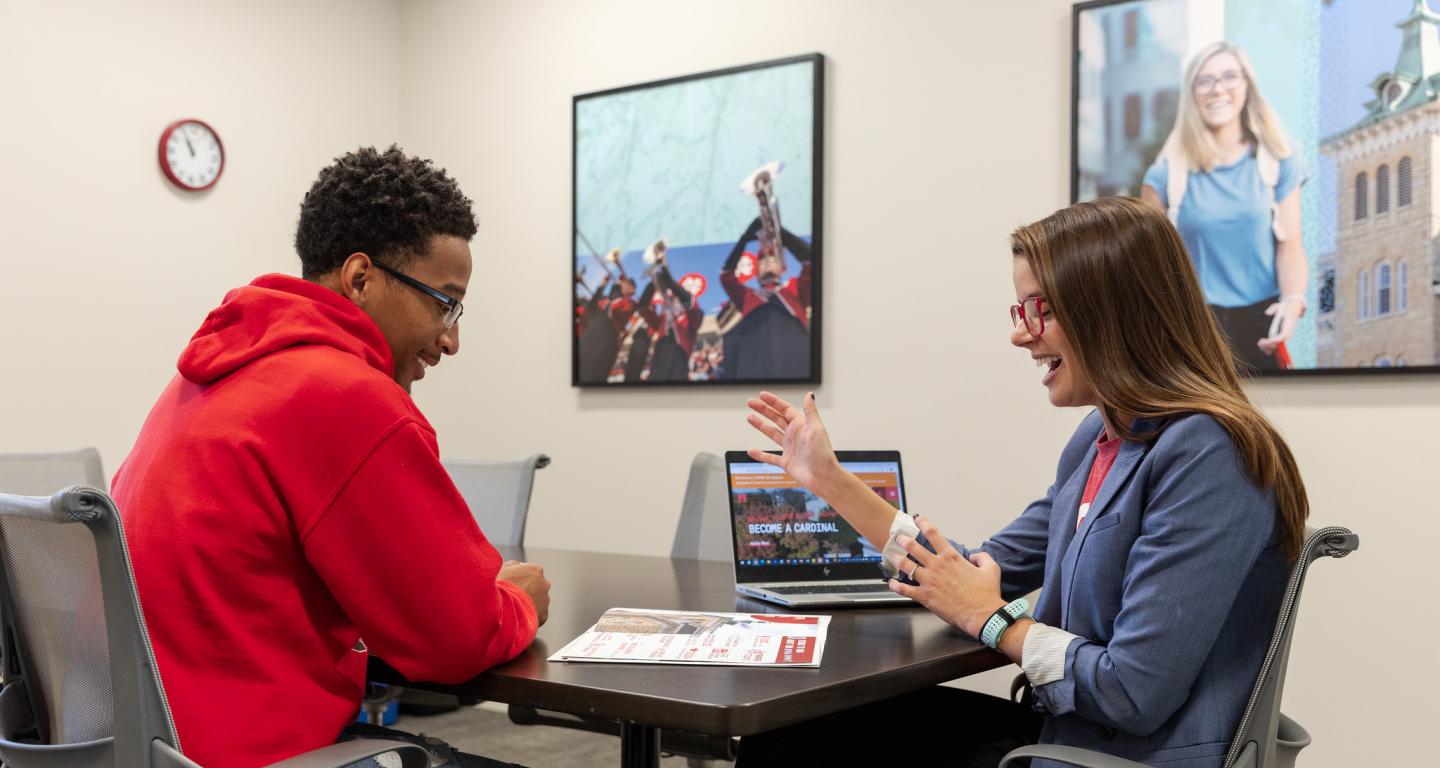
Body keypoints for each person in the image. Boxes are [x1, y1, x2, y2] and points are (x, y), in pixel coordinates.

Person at [737, 197, 1308, 767]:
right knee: (790, 736)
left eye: (1041, 309)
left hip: (1121, 755)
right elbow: (970, 573)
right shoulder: (1101, 438)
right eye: (1020, 311)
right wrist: (830, 480)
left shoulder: (1209, 452)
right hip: (1069, 735)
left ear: (1113, 310)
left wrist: (993, 619)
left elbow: (1133, 691)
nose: (1021, 336)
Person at [111, 146, 551, 768]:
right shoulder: (347, 394)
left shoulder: (207, 375)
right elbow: (459, 638)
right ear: (361, 278)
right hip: (264, 754)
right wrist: (520, 600)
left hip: (148, 746)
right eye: (443, 302)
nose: (451, 339)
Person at [1141, 41, 1308, 372]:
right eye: (1205, 81)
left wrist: (1293, 300)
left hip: (1261, 327)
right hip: (1192, 329)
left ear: (1247, 84)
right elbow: (1148, 268)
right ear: (1192, 94)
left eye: (1229, 76)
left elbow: (1290, 246)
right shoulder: (1163, 176)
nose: (1217, 89)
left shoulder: (1279, 160)